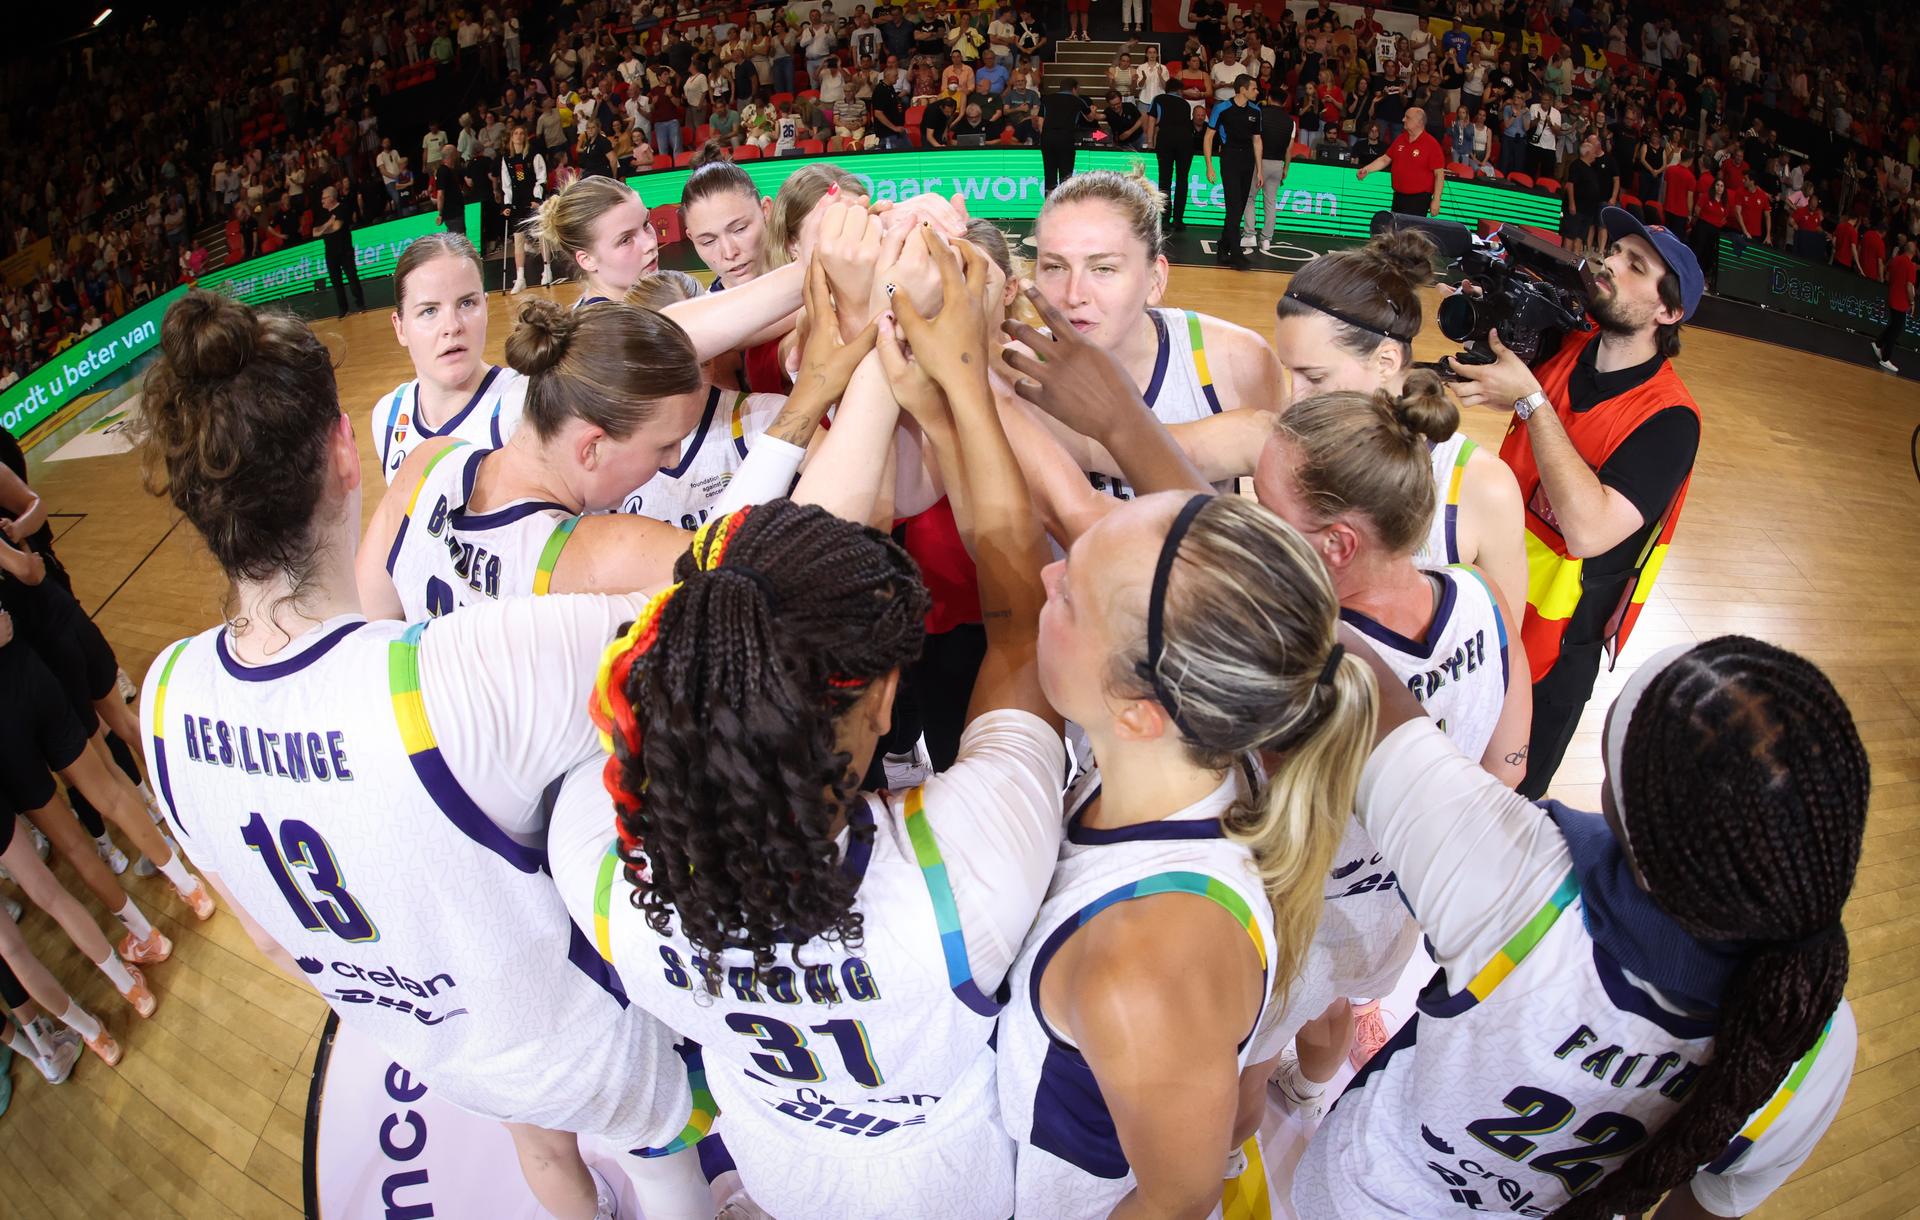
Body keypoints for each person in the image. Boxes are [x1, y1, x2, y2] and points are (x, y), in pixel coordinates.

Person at [135, 291, 708, 1220]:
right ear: (341, 454)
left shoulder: (159, 697)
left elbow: (273, 939)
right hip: (575, 1032)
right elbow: (749, 593)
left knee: (546, 1157)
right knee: (666, 1164)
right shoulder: (458, 677)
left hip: (428, 1042)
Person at [550, 235, 1064, 1220]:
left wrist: (849, 381)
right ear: (880, 704)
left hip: (778, 1152)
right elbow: (1019, 622)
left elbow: (697, 616)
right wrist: (954, 376)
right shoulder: (967, 868)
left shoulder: (605, 868)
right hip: (944, 1177)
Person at [1294, 635, 1863, 1220]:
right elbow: (1705, 1207)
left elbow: (1356, 681)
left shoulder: (1517, 873)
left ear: (1624, 818)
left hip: (1365, 1193)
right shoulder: (1818, 1042)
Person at [991, 481, 1374, 1216]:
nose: (1046, 576)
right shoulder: (1202, 754)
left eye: (1070, 594)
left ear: (1138, 713)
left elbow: (1179, 1198)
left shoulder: (1143, 966)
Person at [1246, 375, 1532, 1121]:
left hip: (1298, 914)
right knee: (1335, 1006)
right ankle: (1310, 1093)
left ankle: (1241, 1143)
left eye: (1267, 512)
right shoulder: (1476, 594)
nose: (1250, 518)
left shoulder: (1314, 662)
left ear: (1339, 544)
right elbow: (1511, 737)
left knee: (1245, 1066)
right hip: (1396, 907)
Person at [1449, 206, 1704, 799]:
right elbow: (1485, 368)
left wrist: (1531, 401)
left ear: (1668, 312)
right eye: (1614, 252)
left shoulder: (1671, 420)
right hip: (1483, 599)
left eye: (1634, 265)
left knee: (1500, 806)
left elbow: (1590, 529)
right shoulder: (1567, 340)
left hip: (1555, 649)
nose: (1611, 263)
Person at [1024, 170, 1281, 501]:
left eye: (1103, 268)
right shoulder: (1013, 368)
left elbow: (1285, 531)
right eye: (1054, 267)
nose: (1074, 296)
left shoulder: (1237, 360)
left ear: (1155, 279)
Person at [373, 234, 530, 482]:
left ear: (486, 309)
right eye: (429, 311)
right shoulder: (388, 415)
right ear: (400, 328)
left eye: (467, 303)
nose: (452, 326)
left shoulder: (523, 405)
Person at [531, 175, 659, 308]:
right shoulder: (604, 327)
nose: (650, 243)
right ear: (587, 260)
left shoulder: (634, 310)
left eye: (645, 224)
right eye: (625, 240)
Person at [1203, 74, 1262, 270]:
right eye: (1254, 88)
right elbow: (1209, 136)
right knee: (1234, 206)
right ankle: (1236, 254)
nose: (1257, 91)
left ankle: (1223, 246)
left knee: (1238, 207)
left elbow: (1257, 140)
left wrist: (1259, 170)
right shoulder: (1222, 108)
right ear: (1243, 89)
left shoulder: (1256, 110)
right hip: (1229, 158)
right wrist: (1209, 165)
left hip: (1248, 161)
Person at [1356, 105, 1444, 217]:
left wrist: (1436, 200)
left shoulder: (1431, 144)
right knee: (1396, 230)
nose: (1403, 120)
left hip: (1418, 198)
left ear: (1419, 122)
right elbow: (1385, 159)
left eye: (1407, 117)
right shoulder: (1400, 138)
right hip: (1399, 195)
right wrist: (1367, 169)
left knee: (1411, 232)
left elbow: (1439, 174)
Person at [500, 125, 550, 292]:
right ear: (511, 137)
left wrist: (537, 198)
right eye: (516, 133)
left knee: (541, 235)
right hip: (517, 204)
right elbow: (506, 184)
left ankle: (547, 270)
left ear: (525, 137)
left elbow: (541, 178)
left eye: (522, 133)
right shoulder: (506, 159)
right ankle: (520, 278)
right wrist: (507, 204)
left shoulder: (533, 155)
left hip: (532, 202)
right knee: (518, 240)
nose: (519, 136)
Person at [1245, 90, 1296, 252]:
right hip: (1278, 164)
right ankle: (1266, 240)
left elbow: (1253, 139)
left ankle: (1249, 235)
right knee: (1271, 202)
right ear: (1285, 102)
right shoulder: (1291, 122)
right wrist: (1286, 168)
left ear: (1268, 98)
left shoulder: (1259, 113)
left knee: (1250, 198)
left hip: (1258, 162)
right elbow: (1289, 149)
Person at [314, 185, 364, 318]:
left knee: (352, 278)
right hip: (330, 253)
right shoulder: (323, 213)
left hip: (344, 250)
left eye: (324, 198)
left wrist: (324, 228)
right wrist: (327, 224)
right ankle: (343, 309)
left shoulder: (342, 208)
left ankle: (360, 304)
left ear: (331, 198)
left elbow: (336, 227)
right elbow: (314, 232)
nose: (322, 201)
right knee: (336, 283)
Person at [1038, 79, 1091, 193]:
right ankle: (1064, 205)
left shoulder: (1046, 99)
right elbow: (1090, 117)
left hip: (1048, 139)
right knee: (1066, 176)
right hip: (1066, 139)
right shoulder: (1077, 100)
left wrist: (1045, 136)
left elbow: (1040, 121)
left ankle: (1049, 206)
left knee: (1049, 173)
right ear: (1074, 89)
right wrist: (1094, 110)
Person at [1872, 234, 1915, 373]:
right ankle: (1885, 359)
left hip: (1892, 298)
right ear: (1913, 252)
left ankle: (1878, 343)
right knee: (1895, 331)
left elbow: (1888, 276)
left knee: (1892, 326)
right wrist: (1912, 301)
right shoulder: (1910, 266)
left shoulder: (1896, 260)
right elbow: (1909, 286)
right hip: (1901, 303)